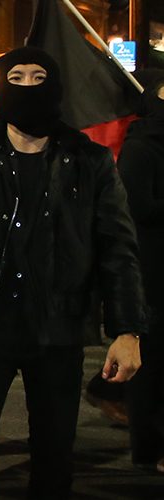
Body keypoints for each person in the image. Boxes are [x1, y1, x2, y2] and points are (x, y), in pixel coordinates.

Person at [0, 47, 146, 500]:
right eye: (16, 77)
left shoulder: (90, 160)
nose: (27, 86)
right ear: (1, 86)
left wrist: (127, 329)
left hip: (58, 329)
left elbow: (117, 249)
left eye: (38, 76)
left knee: (55, 457)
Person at [117, 79, 164, 474]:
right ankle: (150, 448)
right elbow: (138, 208)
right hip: (152, 271)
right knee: (152, 366)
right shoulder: (140, 147)